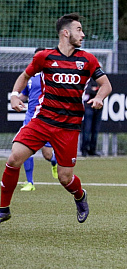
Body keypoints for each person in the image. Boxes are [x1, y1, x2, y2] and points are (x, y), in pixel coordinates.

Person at [1, 13, 112, 223]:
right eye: (79, 30)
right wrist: (15, 95)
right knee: (14, 158)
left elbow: (106, 85)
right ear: (66, 33)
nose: (83, 34)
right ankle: (3, 209)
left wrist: (99, 98)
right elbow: (24, 76)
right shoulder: (44, 57)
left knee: (65, 178)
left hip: (68, 128)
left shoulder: (87, 59)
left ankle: (80, 196)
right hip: (42, 121)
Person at [18, 47, 58, 192]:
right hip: (30, 117)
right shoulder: (29, 77)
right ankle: (30, 182)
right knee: (24, 148)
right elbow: (24, 95)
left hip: (46, 117)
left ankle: (54, 161)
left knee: (47, 154)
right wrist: (16, 98)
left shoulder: (52, 76)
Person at [81, 77, 103, 157]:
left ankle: (92, 149)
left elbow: (105, 90)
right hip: (89, 106)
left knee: (95, 130)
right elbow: (88, 90)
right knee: (87, 128)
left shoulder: (101, 80)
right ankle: (84, 149)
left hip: (98, 108)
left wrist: (96, 90)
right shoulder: (88, 79)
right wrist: (97, 92)